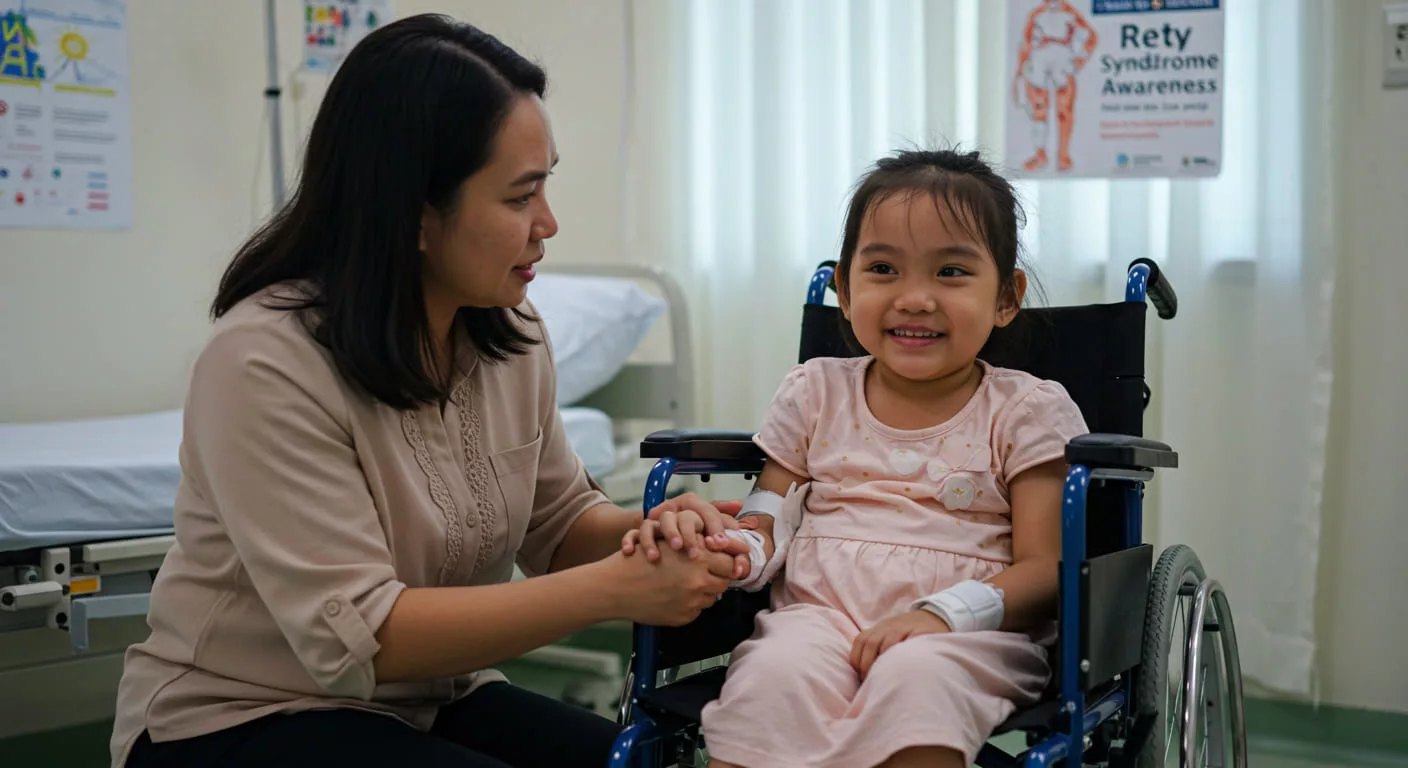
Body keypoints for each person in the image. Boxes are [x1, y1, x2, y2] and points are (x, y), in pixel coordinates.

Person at [110, 14, 749, 768]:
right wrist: (621, 589)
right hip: (237, 716)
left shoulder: (507, 330)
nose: (548, 223)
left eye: (546, 187)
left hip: (429, 700)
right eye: (520, 197)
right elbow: (367, 636)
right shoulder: (264, 363)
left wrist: (658, 530)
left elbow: (559, 522)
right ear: (414, 213)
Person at [626, 149, 1090, 768]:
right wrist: (735, 549)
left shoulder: (1026, 410)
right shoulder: (815, 393)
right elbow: (768, 519)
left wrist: (942, 615)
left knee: (918, 681)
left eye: (951, 271)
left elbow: (1044, 569)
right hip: (815, 619)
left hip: (968, 635)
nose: (915, 298)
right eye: (883, 269)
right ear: (845, 290)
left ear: (1006, 296)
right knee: (772, 677)